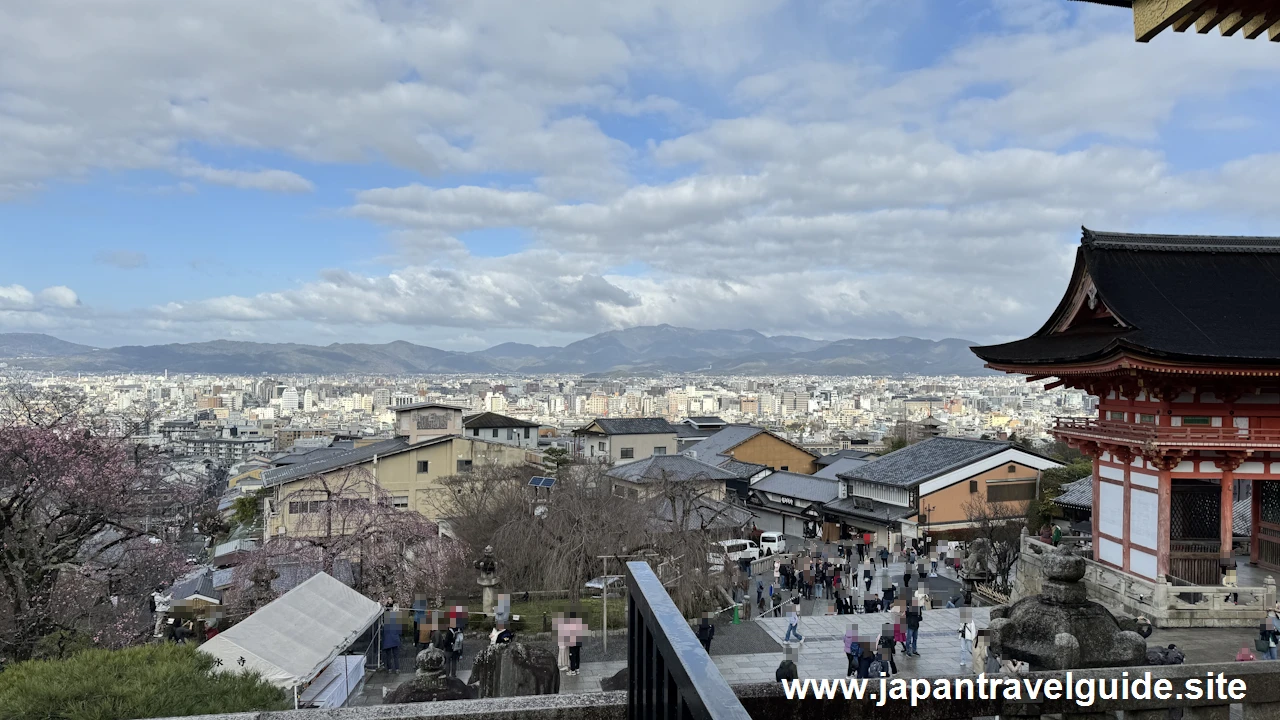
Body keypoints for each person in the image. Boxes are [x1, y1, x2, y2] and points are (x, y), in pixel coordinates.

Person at [381, 604, 402, 673]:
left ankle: (389, 668)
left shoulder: (386, 620)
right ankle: (397, 669)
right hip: (395, 640)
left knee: (388, 656)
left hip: (387, 640)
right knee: (395, 655)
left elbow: (383, 631)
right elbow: (400, 632)